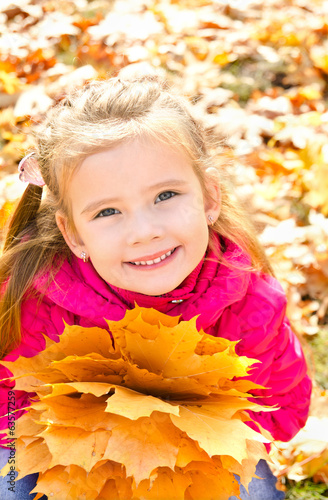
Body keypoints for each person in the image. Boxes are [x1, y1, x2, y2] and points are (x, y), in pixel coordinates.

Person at [0, 76, 311, 499]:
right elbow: (9, 399)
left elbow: (282, 405)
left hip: (197, 454)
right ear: (72, 234)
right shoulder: (43, 298)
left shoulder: (251, 304)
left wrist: (177, 447)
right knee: (9, 480)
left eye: (165, 196)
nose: (144, 232)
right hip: (69, 451)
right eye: (108, 211)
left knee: (251, 490)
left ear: (208, 198)